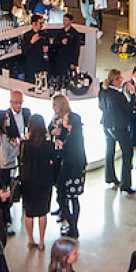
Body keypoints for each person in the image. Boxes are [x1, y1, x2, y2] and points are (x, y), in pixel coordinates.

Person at [50, 94, 86, 238]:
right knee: (74, 198)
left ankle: (72, 225)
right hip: (77, 169)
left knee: (66, 196)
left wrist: (60, 146)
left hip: (70, 170)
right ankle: (73, 226)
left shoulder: (71, 139)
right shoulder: (76, 136)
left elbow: (66, 153)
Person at [20, 115, 55, 249]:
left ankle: (30, 240)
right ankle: (41, 241)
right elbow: (53, 161)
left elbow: (21, 161)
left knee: (29, 213)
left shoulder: (25, 145)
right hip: (44, 181)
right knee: (42, 212)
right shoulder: (49, 145)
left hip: (28, 181)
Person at [99, 69, 135, 194]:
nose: (121, 80)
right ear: (114, 81)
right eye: (119, 78)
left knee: (109, 151)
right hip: (119, 127)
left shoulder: (103, 91)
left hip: (106, 124)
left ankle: (110, 177)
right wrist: (133, 94)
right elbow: (129, 108)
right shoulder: (118, 96)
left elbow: (100, 106)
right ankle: (125, 184)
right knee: (127, 153)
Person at [21, 13, 52, 81]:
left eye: (42, 23)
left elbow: (49, 47)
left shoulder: (44, 34)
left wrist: (47, 49)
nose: (42, 25)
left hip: (42, 64)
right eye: (40, 23)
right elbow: (24, 52)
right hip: (32, 65)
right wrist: (32, 42)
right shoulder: (27, 35)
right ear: (34, 23)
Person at [56, 13, 83, 78]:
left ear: (70, 21)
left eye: (66, 20)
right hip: (60, 59)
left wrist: (74, 62)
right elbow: (55, 43)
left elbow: (76, 49)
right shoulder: (60, 32)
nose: (64, 22)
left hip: (68, 59)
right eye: (63, 20)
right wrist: (61, 42)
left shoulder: (75, 34)